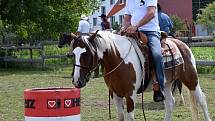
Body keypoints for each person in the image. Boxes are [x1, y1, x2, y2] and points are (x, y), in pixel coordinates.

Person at [121, 0, 165, 102]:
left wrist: (136, 26)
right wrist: (124, 28)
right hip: (133, 32)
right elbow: (127, 18)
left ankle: (159, 86)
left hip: (150, 31)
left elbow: (151, 13)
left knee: (156, 54)